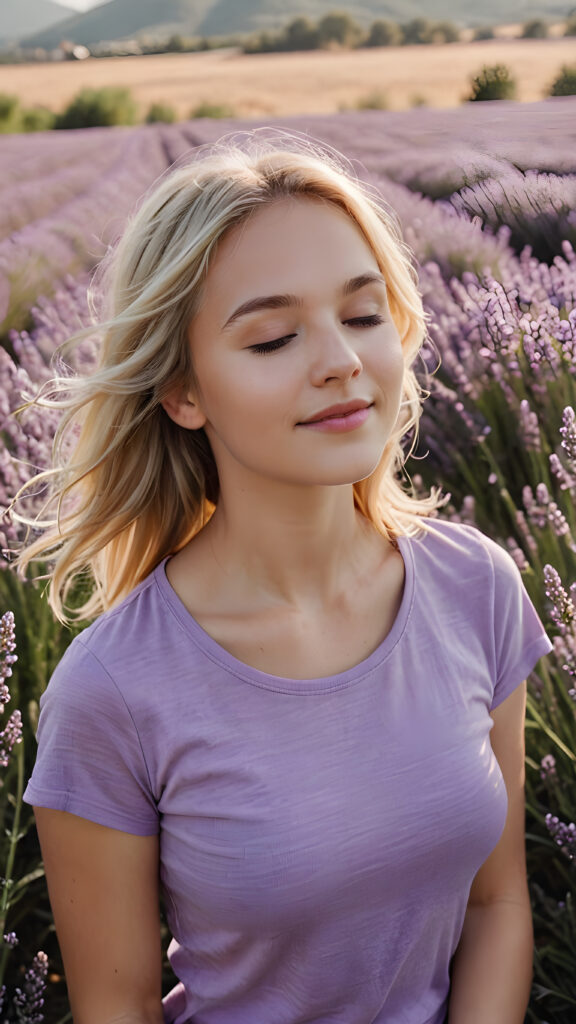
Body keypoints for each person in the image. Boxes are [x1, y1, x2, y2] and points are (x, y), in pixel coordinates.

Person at [19, 131, 552, 1024]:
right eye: (272, 338)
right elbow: (118, 1006)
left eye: (363, 314)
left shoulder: (477, 587)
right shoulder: (113, 691)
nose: (341, 360)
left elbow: (497, 904)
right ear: (183, 392)